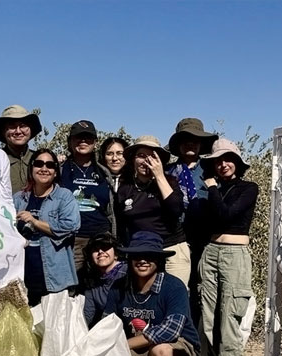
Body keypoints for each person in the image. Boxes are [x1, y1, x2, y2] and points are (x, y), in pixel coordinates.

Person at [102, 231, 200, 356]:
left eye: (149, 256)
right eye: (137, 256)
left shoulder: (174, 286)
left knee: (161, 351)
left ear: (159, 260)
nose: (142, 261)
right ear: (129, 259)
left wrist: (121, 345)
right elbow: (107, 324)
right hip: (134, 352)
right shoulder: (118, 287)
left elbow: (170, 331)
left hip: (175, 348)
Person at [195, 139, 259, 356]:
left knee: (228, 318)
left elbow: (226, 216)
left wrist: (211, 189)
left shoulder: (248, 188)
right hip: (210, 252)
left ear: (238, 162)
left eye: (228, 159)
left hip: (234, 255)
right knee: (208, 318)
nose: (223, 165)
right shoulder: (213, 190)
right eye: (217, 161)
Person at [166, 118, 219, 340]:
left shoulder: (210, 171)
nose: (191, 144)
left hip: (203, 242)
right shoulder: (166, 171)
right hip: (174, 240)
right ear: (178, 144)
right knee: (176, 292)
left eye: (196, 140)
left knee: (202, 294)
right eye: (186, 140)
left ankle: (198, 343)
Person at [116, 136, 190, 286]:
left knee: (175, 295)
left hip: (172, 249)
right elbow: (121, 224)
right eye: (141, 156)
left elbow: (176, 209)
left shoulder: (170, 182)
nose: (146, 161)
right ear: (133, 160)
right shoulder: (125, 189)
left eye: (152, 156)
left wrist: (159, 176)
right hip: (142, 253)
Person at [13, 149, 80, 305]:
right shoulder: (18, 198)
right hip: (24, 273)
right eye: (38, 164)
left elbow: (71, 225)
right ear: (31, 169)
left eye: (50, 165)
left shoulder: (64, 196)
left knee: (54, 326)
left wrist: (35, 222)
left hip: (54, 275)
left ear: (55, 172)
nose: (44, 169)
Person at [58, 120, 115, 270]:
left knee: (101, 286)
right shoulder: (60, 170)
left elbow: (110, 208)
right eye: (78, 137)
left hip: (101, 239)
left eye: (88, 138)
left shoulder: (104, 172)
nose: (83, 141)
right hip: (72, 239)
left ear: (95, 142)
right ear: (70, 142)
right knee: (73, 287)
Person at [0, 105, 42, 194]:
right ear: (3, 131)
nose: (18, 131)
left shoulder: (41, 160)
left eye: (23, 126)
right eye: (12, 127)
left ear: (30, 130)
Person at [79, 232, 127, 327]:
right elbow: (88, 314)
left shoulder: (127, 272)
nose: (100, 251)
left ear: (116, 253)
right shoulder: (92, 279)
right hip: (109, 327)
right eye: (95, 249)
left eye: (105, 247)